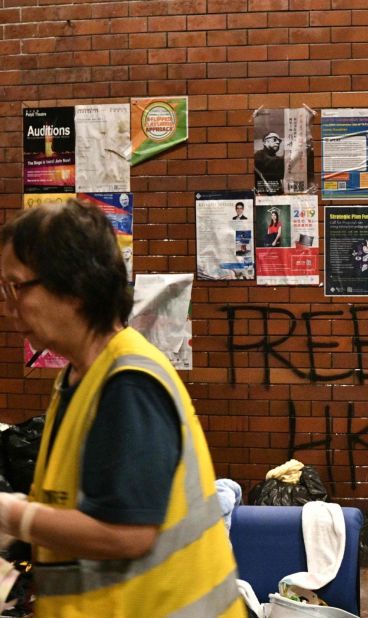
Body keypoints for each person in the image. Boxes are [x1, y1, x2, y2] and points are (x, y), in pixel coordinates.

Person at [0, 199, 244, 616]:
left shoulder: (129, 383)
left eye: (16, 287)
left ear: (74, 289)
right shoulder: (79, 377)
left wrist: (12, 515)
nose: (7, 306)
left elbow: (127, 535)